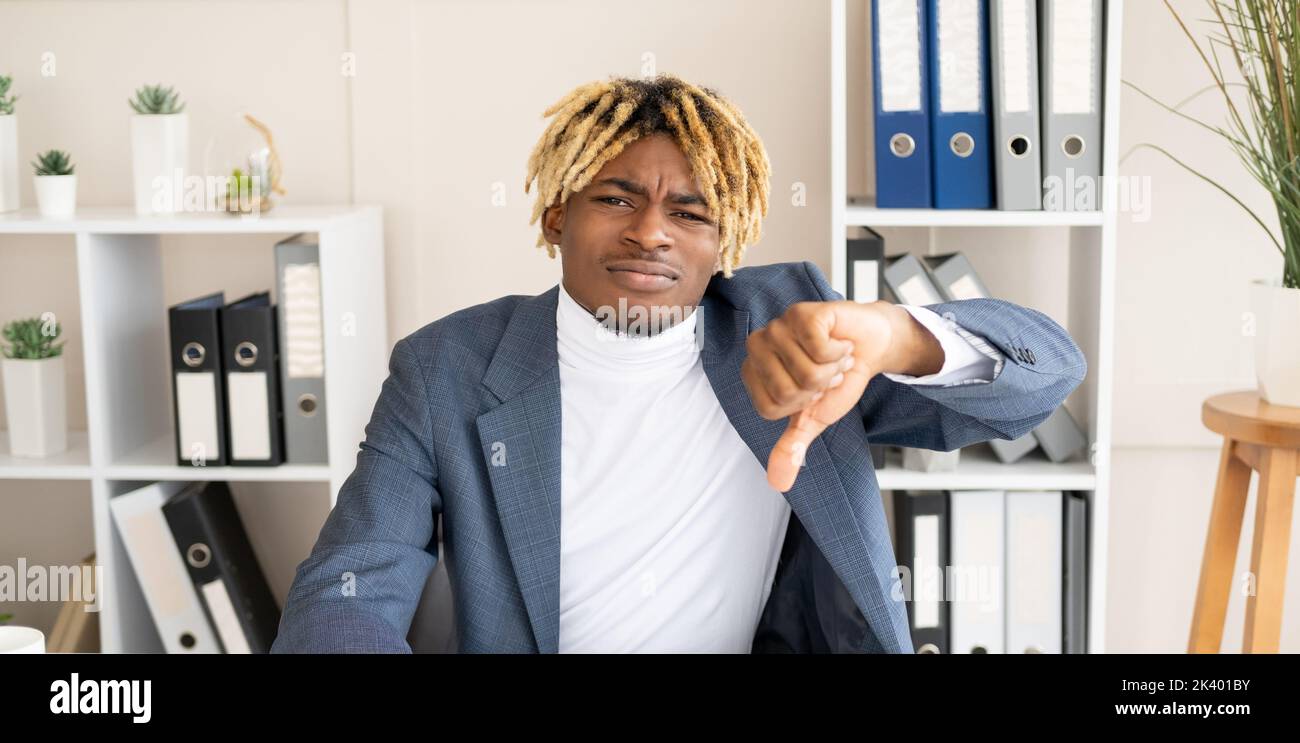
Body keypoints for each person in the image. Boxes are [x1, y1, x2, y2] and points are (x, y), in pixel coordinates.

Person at [271, 73, 1085, 653]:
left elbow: (1046, 373)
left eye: (689, 212)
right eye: (617, 198)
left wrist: (894, 334)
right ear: (556, 217)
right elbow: (350, 584)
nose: (652, 232)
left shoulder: (794, 335)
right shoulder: (445, 367)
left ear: (723, 244)